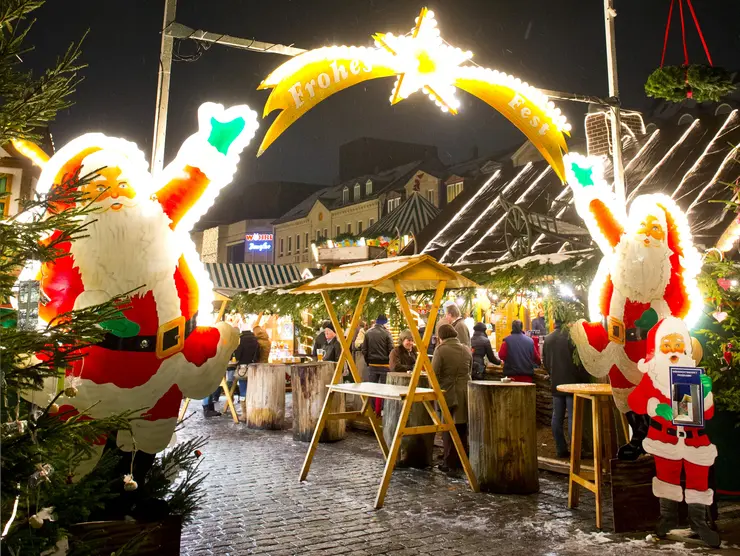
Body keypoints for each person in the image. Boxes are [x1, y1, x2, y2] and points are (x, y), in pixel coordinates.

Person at [542, 320, 589, 458]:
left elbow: (544, 360)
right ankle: (576, 450)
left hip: (556, 383)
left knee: (557, 417)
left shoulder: (548, 338)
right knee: (573, 418)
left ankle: (560, 449)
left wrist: (552, 374)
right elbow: (579, 361)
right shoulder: (571, 337)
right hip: (572, 383)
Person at [432, 324, 472, 474]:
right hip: (463, 391)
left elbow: (434, 373)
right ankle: (463, 459)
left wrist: (434, 390)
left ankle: (450, 462)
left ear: (441, 336)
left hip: (446, 392)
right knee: (462, 427)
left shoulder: (440, 350)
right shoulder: (466, 349)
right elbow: (470, 371)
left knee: (447, 427)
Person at [362, 314, 394, 415]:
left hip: (372, 364)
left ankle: (372, 411)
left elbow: (364, 350)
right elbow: (391, 349)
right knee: (384, 389)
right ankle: (382, 411)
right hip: (384, 365)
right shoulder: (387, 333)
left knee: (372, 388)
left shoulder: (367, 333)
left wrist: (368, 361)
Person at [234, 328, 260, 422]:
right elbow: (258, 356)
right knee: (253, 390)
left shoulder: (241, 342)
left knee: (243, 390)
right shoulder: (256, 342)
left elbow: (237, 356)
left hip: (243, 369)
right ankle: (253, 412)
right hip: (254, 368)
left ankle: (245, 414)